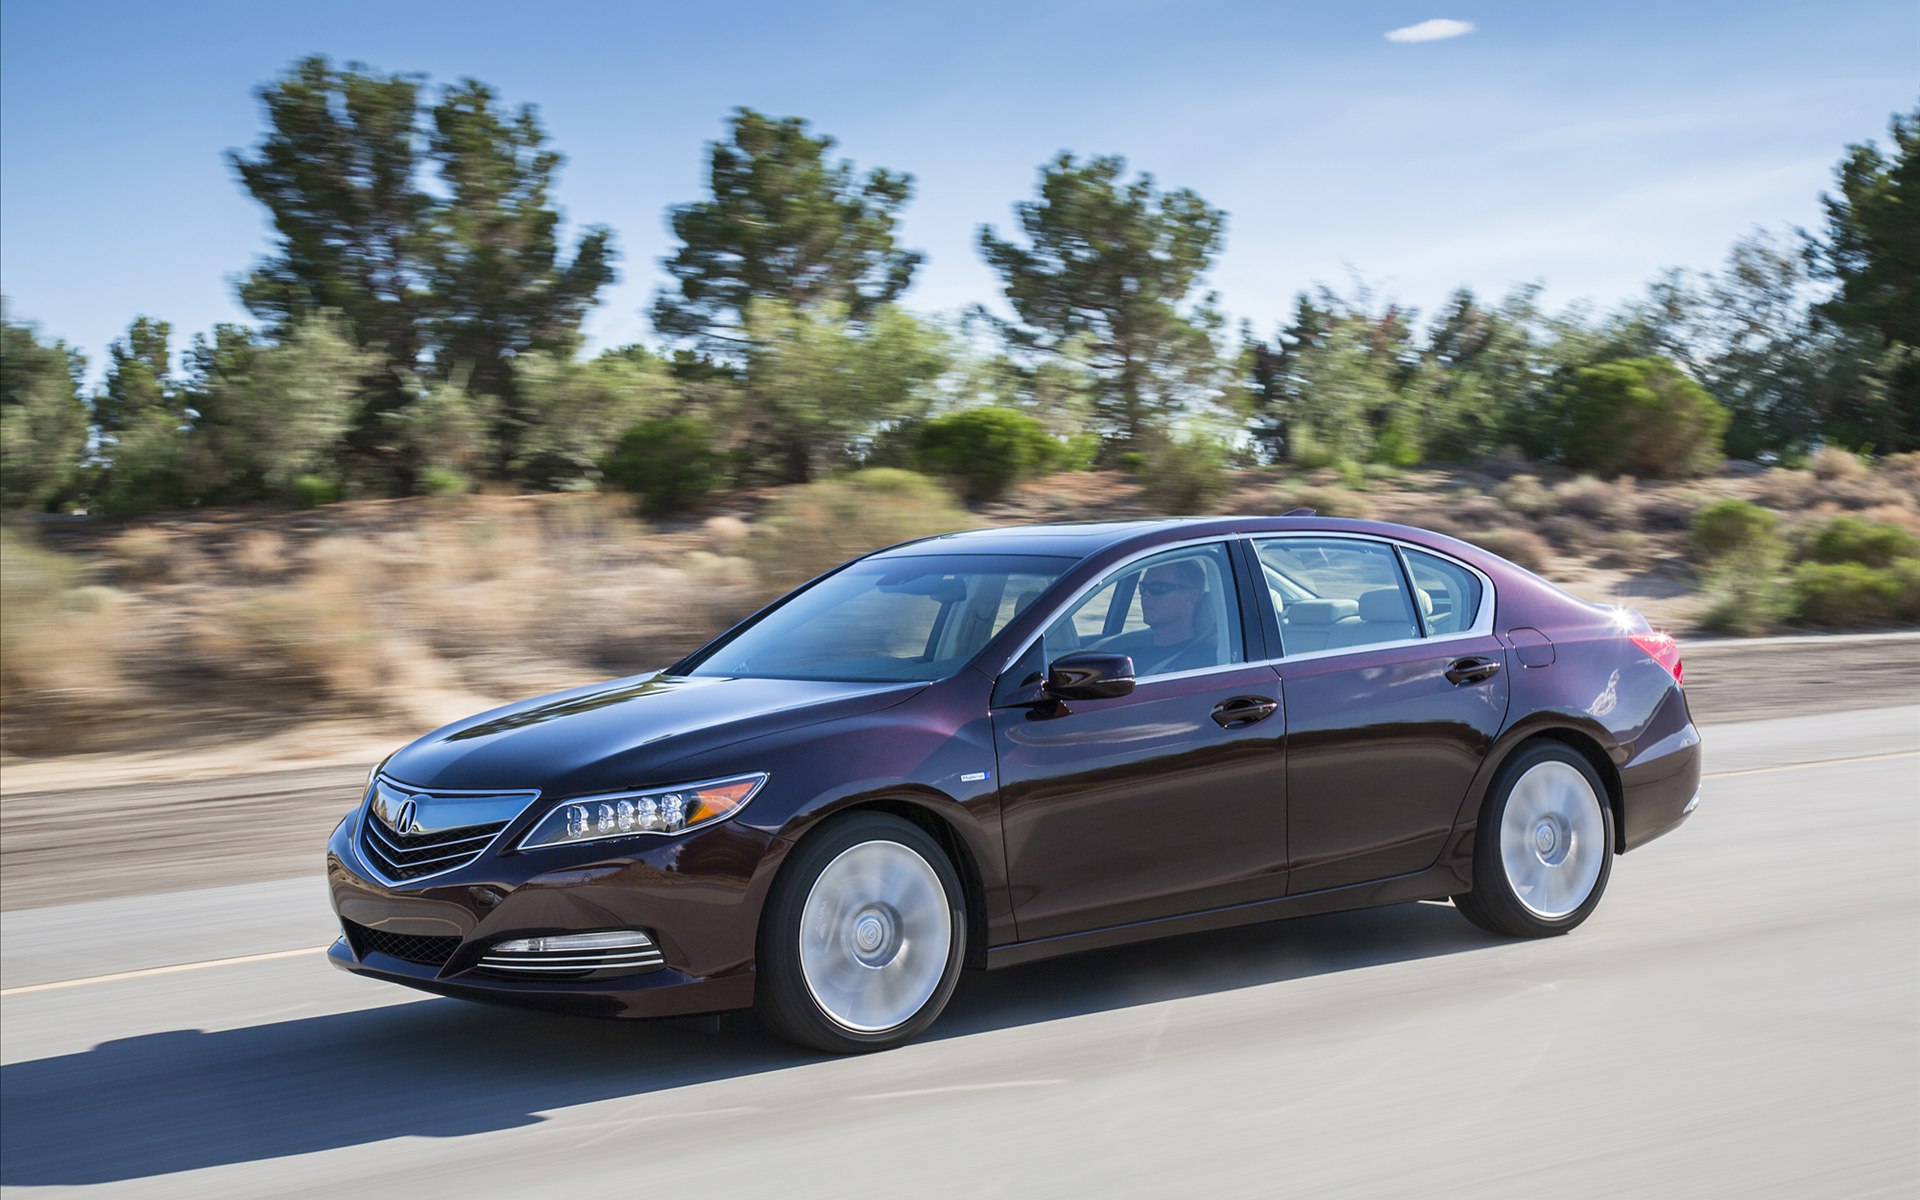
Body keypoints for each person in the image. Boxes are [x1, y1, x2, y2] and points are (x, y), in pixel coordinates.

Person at [1094, 558, 1221, 676]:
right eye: (1143, 588)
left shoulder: (1205, 663)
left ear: (1190, 597)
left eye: (1157, 588)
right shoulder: (1128, 657)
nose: (1145, 596)